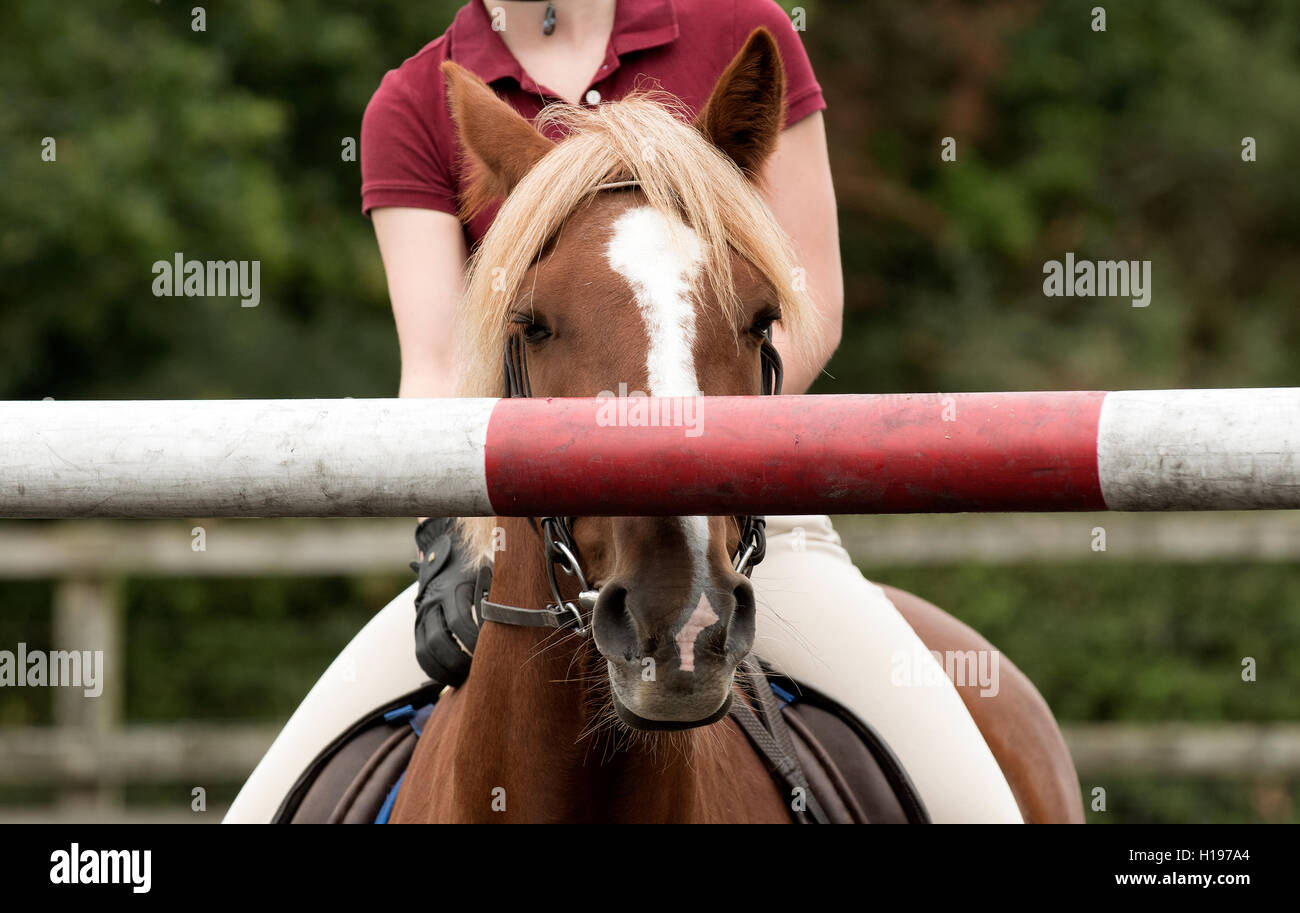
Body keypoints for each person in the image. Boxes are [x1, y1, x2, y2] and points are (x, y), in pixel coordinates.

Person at [224, 0, 1023, 823]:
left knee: (975, 805)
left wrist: (695, 451)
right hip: (518, 534)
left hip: (753, 514)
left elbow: (806, 306)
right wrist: (453, 538)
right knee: (262, 809)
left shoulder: (740, 34)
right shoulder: (416, 99)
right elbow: (436, 365)